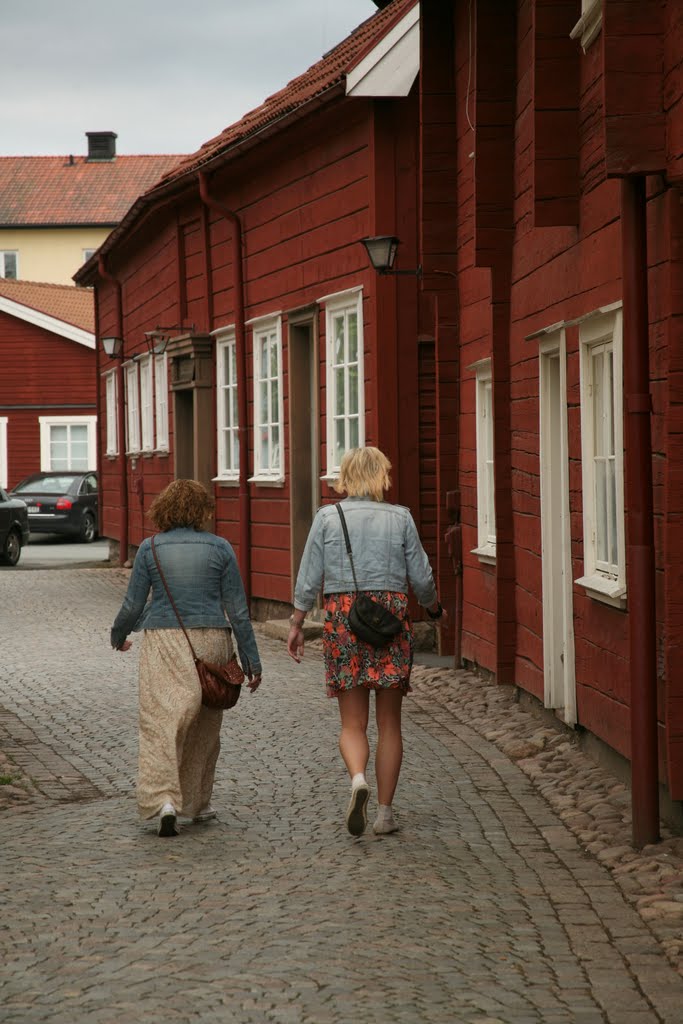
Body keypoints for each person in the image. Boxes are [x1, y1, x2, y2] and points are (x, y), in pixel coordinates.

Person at [287, 446, 444, 837]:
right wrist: (435, 609)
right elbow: (422, 578)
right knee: (390, 723)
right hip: (390, 617)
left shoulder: (328, 517)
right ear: (382, 475)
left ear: (346, 476)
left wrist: (297, 621)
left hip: (345, 617)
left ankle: (358, 779)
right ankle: (385, 813)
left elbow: (309, 575)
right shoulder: (401, 518)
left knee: (352, 722)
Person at [111, 479, 262, 837]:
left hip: (166, 641)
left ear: (163, 509)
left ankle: (164, 800)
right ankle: (196, 802)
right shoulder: (221, 548)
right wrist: (251, 663)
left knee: (162, 720)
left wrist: (118, 636)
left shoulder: (150, 549)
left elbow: (133, 604)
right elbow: (238, 611)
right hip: (213, 642)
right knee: (205, 727)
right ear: (202, 512)